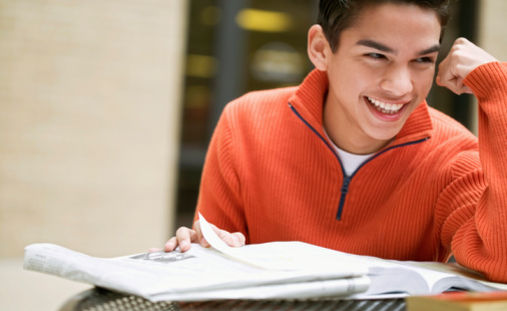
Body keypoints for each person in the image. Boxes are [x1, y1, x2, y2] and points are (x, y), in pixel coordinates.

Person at [164, 0, 507, 282]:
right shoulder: (244, 123)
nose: (401, 86)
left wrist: (500, 91)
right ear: (320, 49)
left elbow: (500, 262)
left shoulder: (456, 155)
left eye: (422, 60)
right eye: (376, 56)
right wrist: (197, 254)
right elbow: (206, 287)